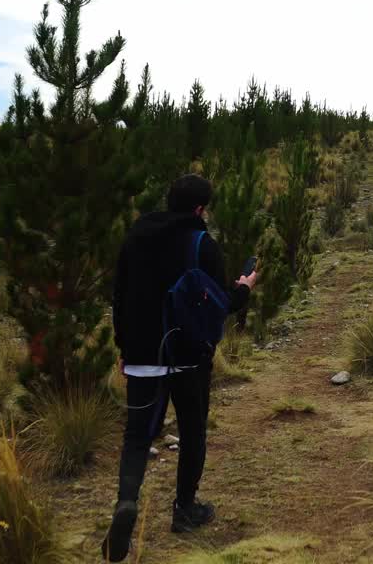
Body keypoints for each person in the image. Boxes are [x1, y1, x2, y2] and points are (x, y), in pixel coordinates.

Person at [102, 174, 258, 562]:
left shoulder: (136, 236)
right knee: (192, 431)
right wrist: (246, 286)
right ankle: (185, 510)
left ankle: (126, 502)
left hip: (141, 356)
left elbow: (118, 294)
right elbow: (223, 302)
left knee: (137, 437)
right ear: (200, 209)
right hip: (188, 357)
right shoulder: (202, 242)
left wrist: (124, 346)